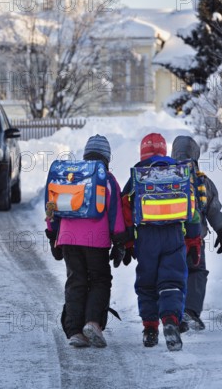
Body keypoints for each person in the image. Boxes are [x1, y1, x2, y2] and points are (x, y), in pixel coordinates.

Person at [45, 135, 128, 348]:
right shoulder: (107, 179)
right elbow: (115, 214)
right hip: (96, 241)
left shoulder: (69, 176)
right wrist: (119, 241)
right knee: (100, 280)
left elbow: (52, 205)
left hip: (68, 239)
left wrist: (53, 234)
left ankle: (74, 331)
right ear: (107, 157)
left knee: (76, 281)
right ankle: (92, 323)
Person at [121, 133, 193, 351]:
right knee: (172, 280)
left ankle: (150, 328)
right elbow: (193, 208)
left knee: (147, 283)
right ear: (164, 151)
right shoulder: (178, 172)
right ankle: (170, 320)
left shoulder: (137, 175)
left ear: (142, 152)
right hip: (174, 234)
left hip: (146, 237)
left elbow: (125, 206)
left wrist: (126, 242)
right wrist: (193, 238)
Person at [171, 136, 222, 332]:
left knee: (172, 275)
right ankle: (191, 311)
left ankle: (173, 314)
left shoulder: (165, 176)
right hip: (195, 239)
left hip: (169, 238)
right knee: (196, 272)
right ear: (196, 155)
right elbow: (213, 209)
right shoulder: (202, 180)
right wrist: (221, 231)